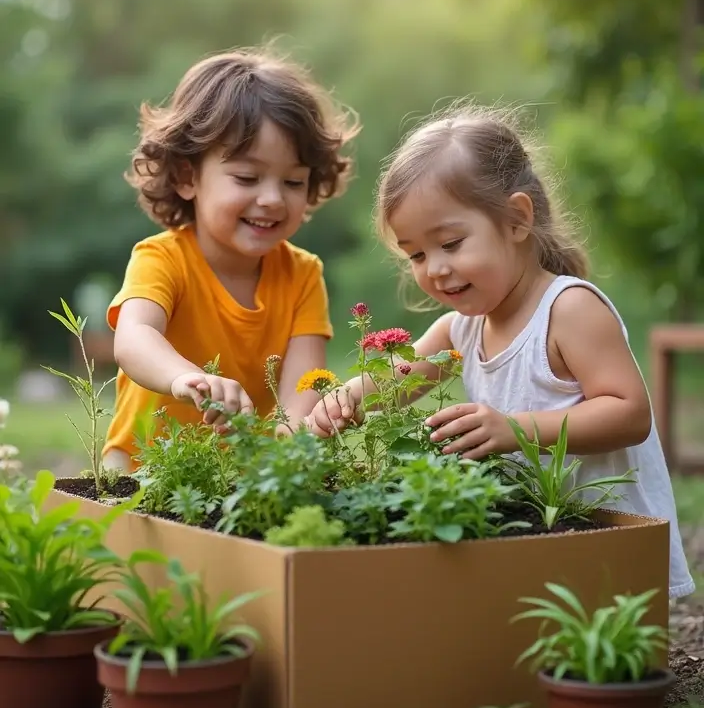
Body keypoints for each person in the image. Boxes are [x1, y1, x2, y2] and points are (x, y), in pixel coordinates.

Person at [307, 104, 693, 598]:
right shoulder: (461, 329)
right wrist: (345, 401)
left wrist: (515, 430)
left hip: (610, 537)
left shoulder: (568, 309)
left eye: (451, 243)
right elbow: (394, 379)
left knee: (596, 643)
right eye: (417, 254)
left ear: (516, 220)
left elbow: (629, 414)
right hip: (539, 535)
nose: (435, 268)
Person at [103, 48, 357, 472]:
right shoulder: (161, 259)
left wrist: (293, 448)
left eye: (293, 181)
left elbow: (301, 391)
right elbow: (134, 339)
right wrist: (185, 379)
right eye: (247, 177)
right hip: (140, 469)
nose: (272, 198)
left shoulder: (303, 274)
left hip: (239, 480)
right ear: (187, 177)